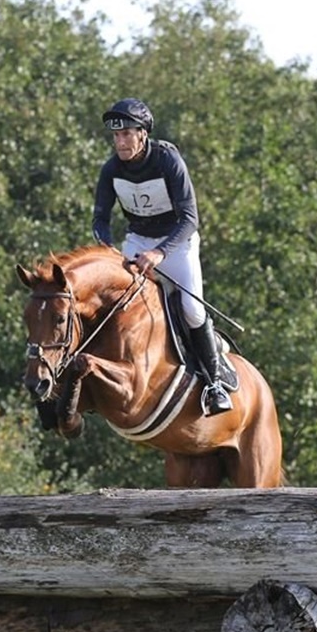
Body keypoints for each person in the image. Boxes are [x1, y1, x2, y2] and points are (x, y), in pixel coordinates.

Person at [92, 97, 233, 416]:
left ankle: (214, 384)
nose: (120, 142)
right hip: (137, 241)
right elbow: (100, 218)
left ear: (143, 134)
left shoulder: (167, 160)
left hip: (176, 243)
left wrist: (159, 252)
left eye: (126, 134)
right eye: (116, 136)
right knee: (111, 303)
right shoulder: (111, 169)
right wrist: (107, 249)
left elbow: (190, 219)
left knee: (192, 310)